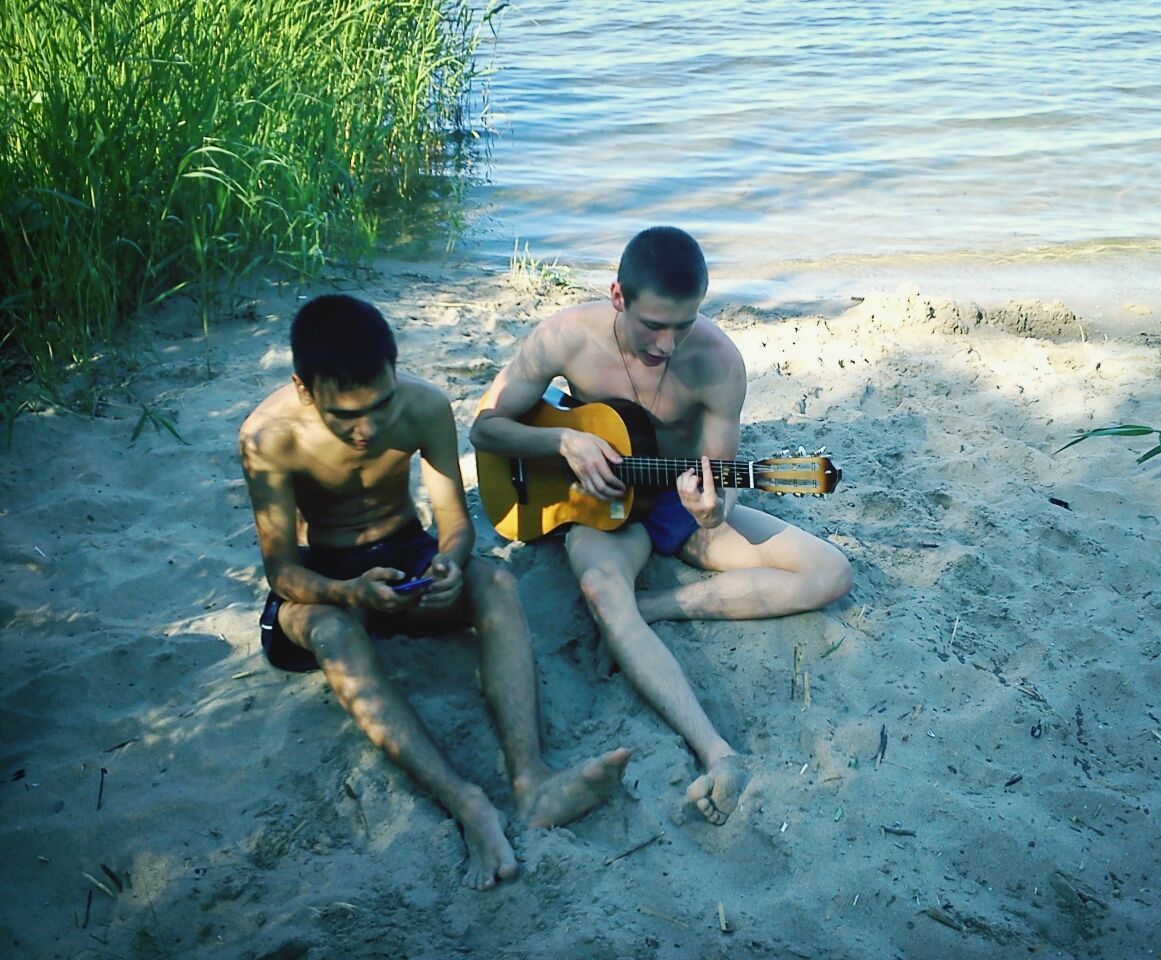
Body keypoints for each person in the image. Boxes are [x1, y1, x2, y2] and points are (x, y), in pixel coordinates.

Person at [239, 294, 630, 891]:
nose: (366, 429)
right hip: (326, 575)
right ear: (303, 388)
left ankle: (532, 780)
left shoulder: (424, 406)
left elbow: (452, 523)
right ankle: (465, 801)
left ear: (395, 373)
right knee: (331, 631)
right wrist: (349, 592)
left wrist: (448, 563)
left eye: (379, 404)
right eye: (345, 417)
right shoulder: (267, 438)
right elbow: (282, 574)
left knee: (496, 580)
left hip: (405, 553)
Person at [470, 227, 853, 826]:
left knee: (830, 572)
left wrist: (714, 510)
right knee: (601, 587)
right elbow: (485, 430)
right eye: (653, 324)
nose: (667, 343)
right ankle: (716, 751)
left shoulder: (719, 363)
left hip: (675, 501)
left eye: (684, 324)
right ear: (618, 295)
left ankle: (655, 609)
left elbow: (719, 479)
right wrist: (564, 439)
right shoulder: (566, 336)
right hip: (601, 511)